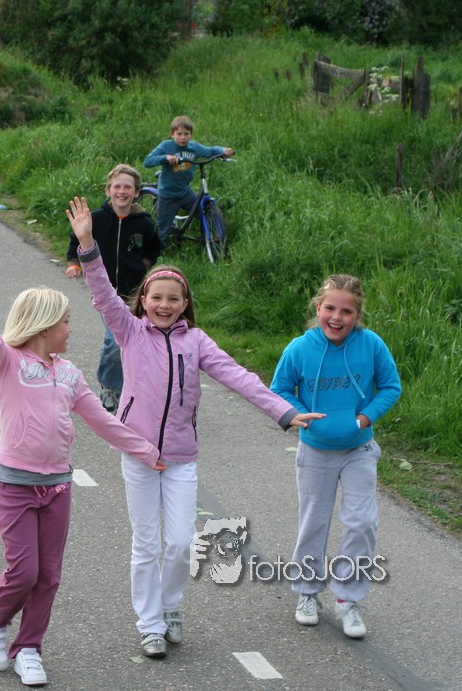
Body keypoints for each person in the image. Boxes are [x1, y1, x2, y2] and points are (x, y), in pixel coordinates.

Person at [66, 196, 322, 660]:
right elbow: (102, 292)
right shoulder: (129, 331)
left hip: (181, 457)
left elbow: (238, 376)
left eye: (173, 299)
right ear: (143, 301)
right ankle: (149, 624)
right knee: (146, 543)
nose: (164, 305)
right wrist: (87, 245)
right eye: (156, 297)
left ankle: (169, 607)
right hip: (139, 453)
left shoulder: (197, 341)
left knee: (182, 543)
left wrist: (284, 412)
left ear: (185, 304)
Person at [0, 238, 164, 687]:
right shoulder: (8, 362)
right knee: (24, 570)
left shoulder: (69, 373)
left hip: (58, 486)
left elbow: (103, 421)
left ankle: (29, 648)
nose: (71, 329)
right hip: (16, 484)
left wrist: (146, 450)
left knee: (49, 575)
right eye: (66, 321)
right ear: (44, 325)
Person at [270, 275, 401, 639]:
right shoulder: (300, 348)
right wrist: (300, 415)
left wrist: (365, 418)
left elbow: (391, 386)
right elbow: (280, 389)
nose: (337, 317)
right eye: (330, 308)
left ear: (358, 315)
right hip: (316, 451)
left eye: (347, 311)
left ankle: (348, 599)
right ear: (318, 308)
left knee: (362, 522)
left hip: (359, 449)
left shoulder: (371, 344)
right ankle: (307, 593)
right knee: (314, 522)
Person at [64, 164, 162, 413]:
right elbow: (76, 241)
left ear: (136, 192)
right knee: (114, 341)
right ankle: (109, 386)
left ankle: (136, 387)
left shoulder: (145, 224)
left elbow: (155, 247)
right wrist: (74, 263)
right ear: (108, 190)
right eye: (117, 186)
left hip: (134, 292)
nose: (122, 191)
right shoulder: (96, 219)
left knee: (136, 341)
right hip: (105, 293)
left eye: (128, 187)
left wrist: (144, 264)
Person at [142, 115, 234, 248]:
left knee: (204, 213)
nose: (183, 137)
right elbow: (147, 161)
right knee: (163, 231)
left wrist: (223, 151)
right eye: (179, 134)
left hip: (185, 193)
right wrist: (165, 158)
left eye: (186, 134)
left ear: (191, 134)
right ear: (172, 134)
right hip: (168, 195)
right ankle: (155, 254)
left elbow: (210, 151)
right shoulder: (166, 146)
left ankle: (210, 239)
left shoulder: (193, 147)